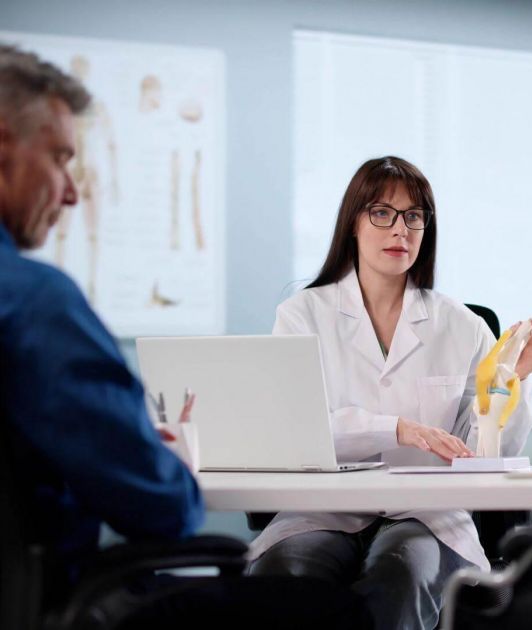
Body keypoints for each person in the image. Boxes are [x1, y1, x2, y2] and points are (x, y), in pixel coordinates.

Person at [0, 44, 371, 629]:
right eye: (60, 158)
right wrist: (160, 458)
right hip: (66, 607)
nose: (71, 192)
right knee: (339, 612)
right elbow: (162, 509)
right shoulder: (36, 302)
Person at [250, 155, 532, 630]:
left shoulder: (462, 325)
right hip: (324, 508)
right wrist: (398, 429)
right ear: (352, 223)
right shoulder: (301, 315)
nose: (400, 229)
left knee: (401, 575)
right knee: (287, 574)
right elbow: (300, 427)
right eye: (382, 212)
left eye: (413, 217)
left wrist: (509, 381)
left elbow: (484, 454)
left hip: (427, 513)